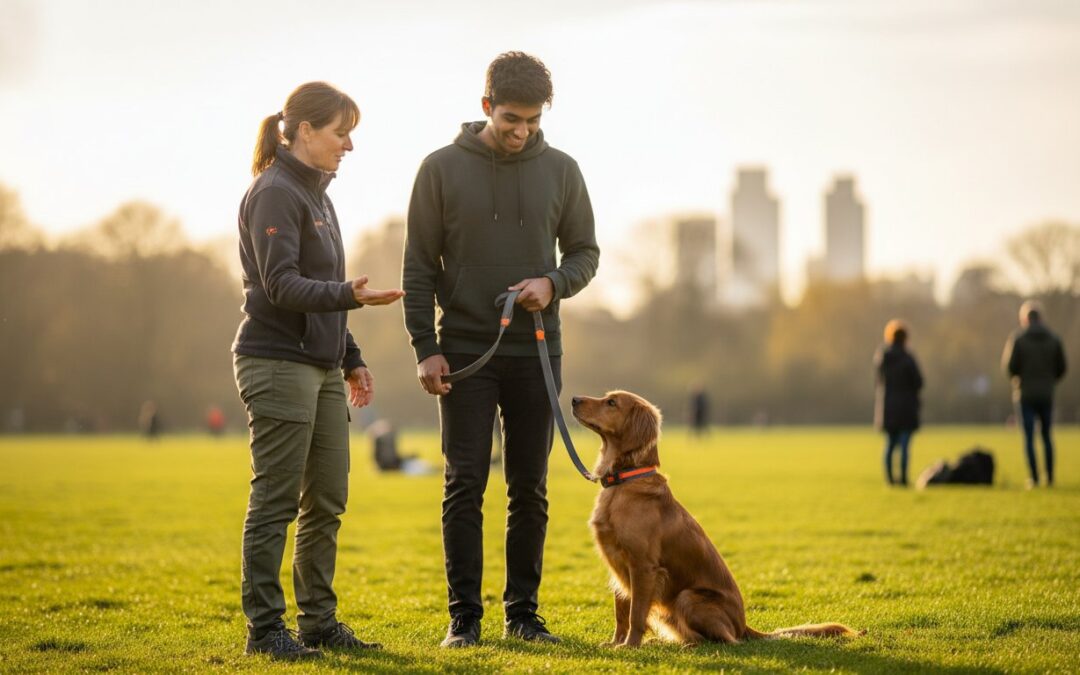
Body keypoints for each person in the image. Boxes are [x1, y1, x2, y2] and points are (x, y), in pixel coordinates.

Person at [402, 52, 600, 648]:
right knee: (463, 483)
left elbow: (586, 253)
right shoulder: (439, 169)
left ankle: (524, 615)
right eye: (512, 119)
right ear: (487, 106)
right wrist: (425, 348)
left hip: (538, 351)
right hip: (462, 353)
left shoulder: (562, 170)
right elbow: (417, 267)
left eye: (533, 123)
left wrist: (553, 284)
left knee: (529, 487)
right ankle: (463, 620)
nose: (522, 133)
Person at [232, 81, 404, 660]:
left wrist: (351, 358)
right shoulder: (276, 192)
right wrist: (348, 297)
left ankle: (319, 623)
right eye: (340, 132)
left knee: (327, 498)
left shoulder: (319, 196)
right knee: (277, 499)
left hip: (322, 365)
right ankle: (265, 630)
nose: (348, 145)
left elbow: (324, 292)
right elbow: (281, 286)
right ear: (304, 131)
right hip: (276, 362)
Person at [1002, 300, 1067, 488]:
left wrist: (1020, 379)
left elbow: (1010, 367)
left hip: (1025, 395)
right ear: (1041, 318)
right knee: (1047, 436)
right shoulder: (1054, 339)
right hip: (1047, 394)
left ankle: (1034, 478)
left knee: (1029, 438)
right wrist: (1049, 380)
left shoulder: (1018, 339)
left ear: (1024, 319)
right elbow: (1062, 368)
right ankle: (1050, 477)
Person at [874, 319, 923, 487]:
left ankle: (889, 480)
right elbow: (919, 382)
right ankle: (902, 479)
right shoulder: (908, 358)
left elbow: (878, 382)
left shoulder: (883, 358)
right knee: (904, 446)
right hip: (907, 407)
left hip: (889, 407)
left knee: (889, 444)